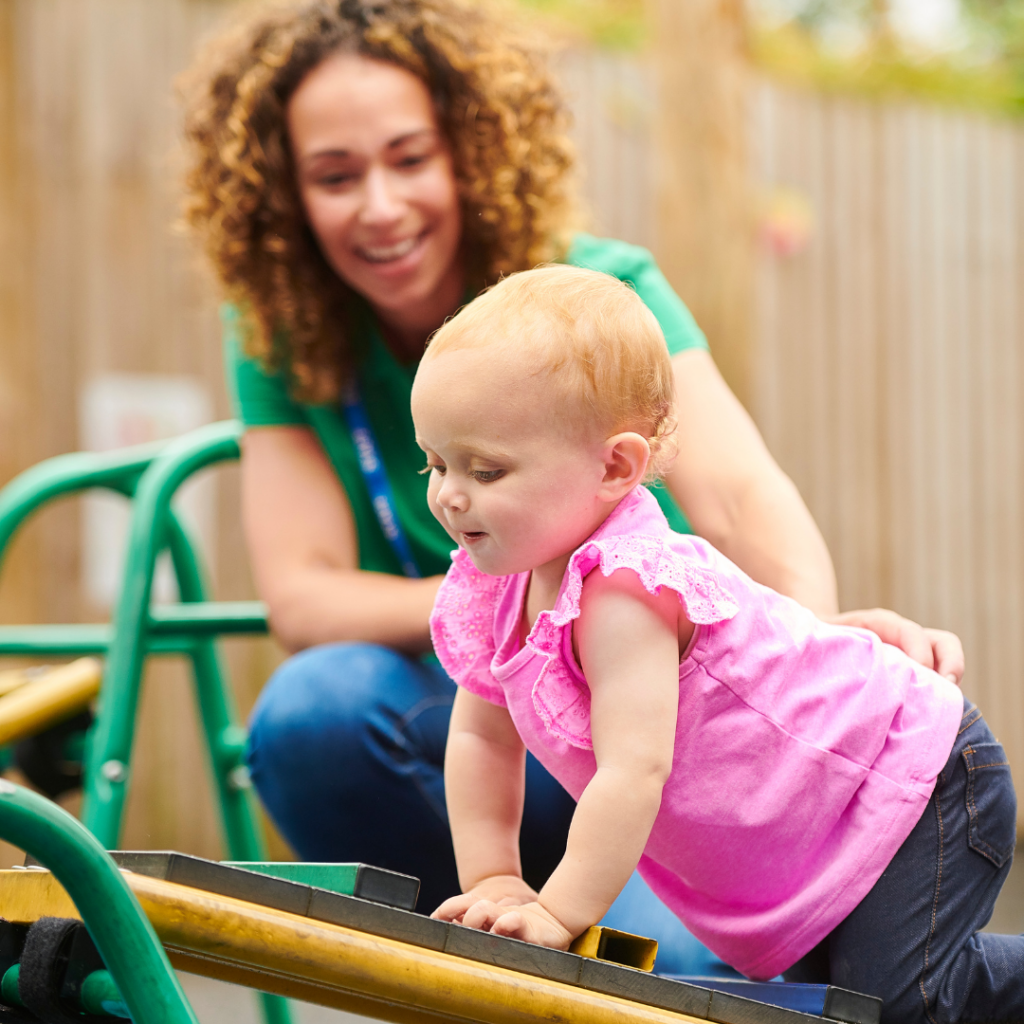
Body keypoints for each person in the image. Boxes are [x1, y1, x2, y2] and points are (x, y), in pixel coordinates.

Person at [179, 0, 963, 970]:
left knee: (669, 975)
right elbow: (303, 597)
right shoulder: (291, 339)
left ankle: (616, 919)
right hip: (487, 727)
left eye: (410, 157)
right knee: (310, 715)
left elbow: (739, 499)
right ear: (285, 193)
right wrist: (522, 618)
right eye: (335, 176)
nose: (379, 205)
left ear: (469, 150)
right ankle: (496, 935)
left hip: (659, 724)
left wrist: (799, 641)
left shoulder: (600, 293)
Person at [421, 266, 1020, 1023]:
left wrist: (557, 909)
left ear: (614, 467)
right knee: (831, 1009)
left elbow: (634, 769)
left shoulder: (626, 587)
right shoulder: (497, 585)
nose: (449, 494)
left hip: (910, 782)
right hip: (808, 835)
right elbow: (480, 736)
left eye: (486, 469)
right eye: (435, 462)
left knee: (900, 1008)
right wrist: (495, 879)